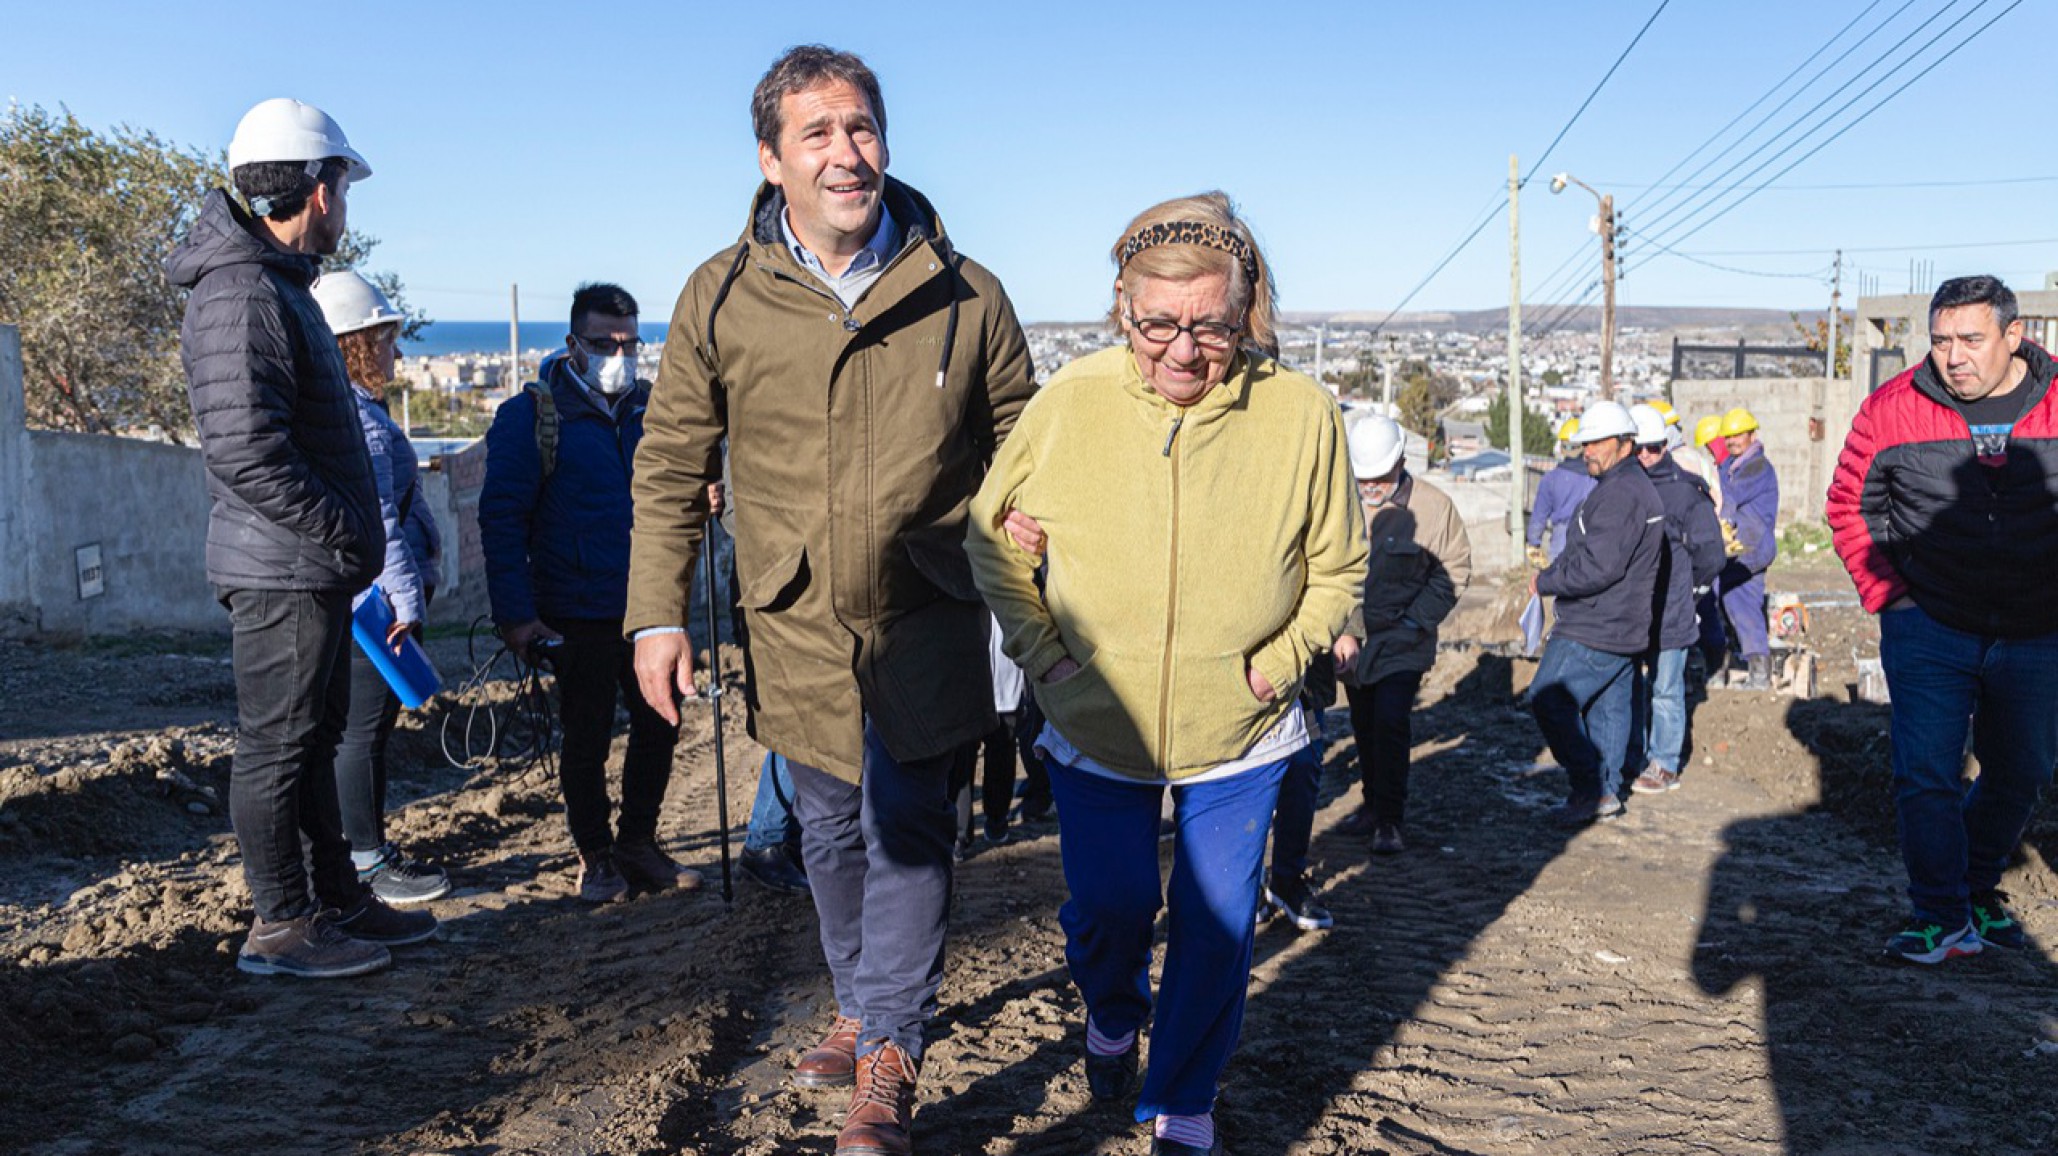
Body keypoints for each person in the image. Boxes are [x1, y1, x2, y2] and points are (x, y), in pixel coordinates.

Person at [625, 46, 1036, 1156]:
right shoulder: (719, 295)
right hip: (792, 617)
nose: (846, 154)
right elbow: (670, 464)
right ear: (771, 159)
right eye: (818, 134)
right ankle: (858, 1001)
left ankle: (889, 1055)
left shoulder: (967, 294)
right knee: (827, 829)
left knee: (908, 826)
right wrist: (656, 615)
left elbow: (1022, 450)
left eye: (861, 129)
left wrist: (1027, 547)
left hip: (927, 610)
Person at [967, 192, 1366, 1156]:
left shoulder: (1302, 414)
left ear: (1246, 313)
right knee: (1111, 910)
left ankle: (1183, 1099)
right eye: (1158, 324)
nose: (1183, 350)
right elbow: (990, 538)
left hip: (1245, 731)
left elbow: (1339, 566)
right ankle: (1112, 1010)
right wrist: (1048, 656)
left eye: (1211, 327)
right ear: (1120, 308)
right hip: (1097, 725)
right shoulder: (1072, 402)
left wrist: (1274, 669)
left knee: (1216, 926)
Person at [166, 98, 435, 977]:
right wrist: (343, 535)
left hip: (302, 566)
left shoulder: (271, 283)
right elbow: (246, 449)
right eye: (343, 185)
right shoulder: (240, 292)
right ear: (319, 190)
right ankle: (282, 927)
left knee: (310, 740)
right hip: (282, 567)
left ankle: (337, 903)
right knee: (278, 745)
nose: (347, 204)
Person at [1827, 274, 2058, 965]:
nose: (1953, 356)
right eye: (1940, 340)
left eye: (1971, 339)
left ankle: (1974, 885)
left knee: (2022, 768)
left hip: (2039, 628)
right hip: (1929, 624)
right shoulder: (1891, 409)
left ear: (2014, 336)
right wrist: (1893, 600)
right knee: (1925, 771)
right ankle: (1938, 914)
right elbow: (1850, 508)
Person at [481, 283, 695, 903]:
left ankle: (638, 842)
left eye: (629, 343)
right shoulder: (533, 416)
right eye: (604, 343)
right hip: (575, 608)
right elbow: (501, 518)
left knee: (662, 722)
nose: (618, 355)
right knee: (587, 735)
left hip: (649, 605)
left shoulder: (652, 410)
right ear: (574, 344)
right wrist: (517, 617)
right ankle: (595, 853)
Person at [312, 270, 451, 904]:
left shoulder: (342, 409)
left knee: (358, 732)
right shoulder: (360, 422)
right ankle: (366, 865)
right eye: (386, 340)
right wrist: (406, 599)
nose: (396, 353)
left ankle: (359, 857)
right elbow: (380, 520)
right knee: (363, 733)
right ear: (357, 343)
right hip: (375, 606)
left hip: (362, 599)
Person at [1334, 413, 1471, 854]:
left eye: (1378, 477)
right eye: (1363, 478)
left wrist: (1416, 620)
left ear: (1399, 463)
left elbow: (1455, 570)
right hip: (1354, 642)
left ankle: (1390, 818)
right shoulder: (1342, 501)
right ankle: (1372, 805)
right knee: (1363, 723)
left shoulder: (1433, 509)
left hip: (1403, 641)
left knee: (1391, 722)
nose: (1370, 487)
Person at [1527, 400, 1664, 828]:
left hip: (1597, 624)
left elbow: (1598, 566)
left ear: (1625, 444)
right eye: (1585, 443)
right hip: (1623, 624)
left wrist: (1546, 582)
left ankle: (1589, 787)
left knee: (1548, 699)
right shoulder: (1630, 487)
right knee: (1608, 710)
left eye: (1597, 442)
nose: (1588, 450)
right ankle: (1604, 792)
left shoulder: (1621, 493)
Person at [1625, 404, 1725, 795]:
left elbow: (1712, 555)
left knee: (1665, 689)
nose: (1645, 457)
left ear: (1663, 446)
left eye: (1652, 448)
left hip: (1670, 612)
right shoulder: (1624, 489)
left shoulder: (1685, 493)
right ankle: (1631, 756)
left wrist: (1691, 591)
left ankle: (1664, 763)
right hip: (1631, 613)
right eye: (1638, 449)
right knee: (1630, 688)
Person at [1715, 406, 1780, 688]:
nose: (1732, 441)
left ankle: (1743, 669)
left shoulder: (1756, 467)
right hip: (1745, 548)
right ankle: (1756, 669)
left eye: (1737, 435)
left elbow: (1729, 495)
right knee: (1744, 602)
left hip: (1750, 549)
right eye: (1728, 437)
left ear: (1752, 434)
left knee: (1732, 600)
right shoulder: (1734, 465)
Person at [1526, 417, 1597, 566]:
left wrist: (1533, 544)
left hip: (1560, 542)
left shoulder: (1550, 479)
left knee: (1558, 585)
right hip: (1590, 541)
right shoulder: (1596, 479)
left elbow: (1538, 518)